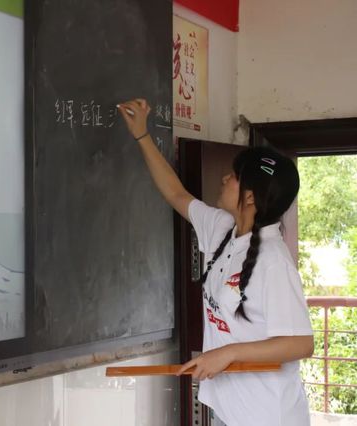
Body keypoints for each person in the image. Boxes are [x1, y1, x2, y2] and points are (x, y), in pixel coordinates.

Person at [117, 99, 314, 426]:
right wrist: (142, 135)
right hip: (231, 410)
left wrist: (228, 353)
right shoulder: (223, 228)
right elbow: (176, 194)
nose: (224, 178)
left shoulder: (273, 261)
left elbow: (300, 344)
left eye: (234, 176)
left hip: (269, 416)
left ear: (249, 196)